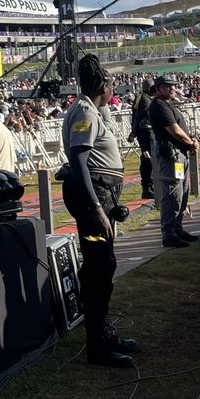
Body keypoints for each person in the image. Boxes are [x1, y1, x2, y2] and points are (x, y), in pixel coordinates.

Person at [60, 54, 136, 368]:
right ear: (102, 86)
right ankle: (97, 346)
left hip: (101, 197)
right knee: (99, 267)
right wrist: (96, 208)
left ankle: (102, 333)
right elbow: (79, 160)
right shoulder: (84, 112)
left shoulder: (90, 110)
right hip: (94, 198)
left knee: (100, 266)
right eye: (111, 84)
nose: (113, 88)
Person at [149, 74, 199, 248]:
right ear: (157, 88)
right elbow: (175, 130)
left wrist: (190, 141)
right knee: (173, 193)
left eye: (173, 85)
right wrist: (191, 142)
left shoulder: (167, 104)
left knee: (182, 191)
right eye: (167, 86)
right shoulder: (158, 105)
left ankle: (177, 228)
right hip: (171, 154)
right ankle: (169, 233)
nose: (172, 88)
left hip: (178, 153)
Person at [128, 80, 155, 199]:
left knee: (147, 158)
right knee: (148, 159)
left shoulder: (140, 97)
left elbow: (135, 115)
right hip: (146, 133)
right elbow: (142, 117)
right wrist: (135, 131)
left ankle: (149, 186)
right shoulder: (145, 99)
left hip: (142, 132)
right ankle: (148, 187)